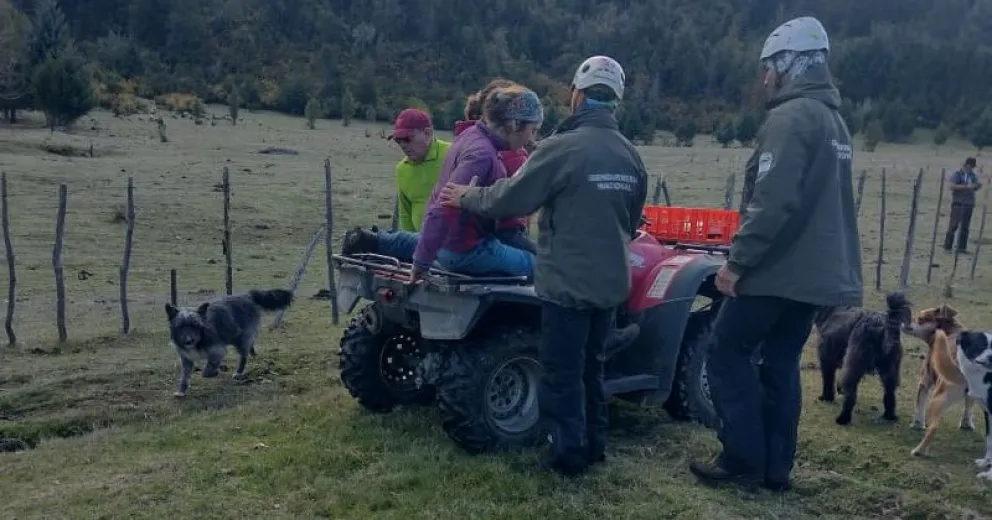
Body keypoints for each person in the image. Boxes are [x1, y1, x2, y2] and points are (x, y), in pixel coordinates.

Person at [438, 56, 647, 476]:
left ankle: (566, 456)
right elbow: (632, 215)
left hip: (567, 284)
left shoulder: (561, 148)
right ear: (616, 101)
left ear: (578, 95)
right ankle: (594, 445)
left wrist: (466, 198)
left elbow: (513, 198)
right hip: (609, 283)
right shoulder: (630, 155)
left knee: (561, 373)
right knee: (593, 367)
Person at [687, 16, 863, 492]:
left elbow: (773, 201)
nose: (765, 78)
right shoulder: (834, 120)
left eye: (769, 67)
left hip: (776, 270)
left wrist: (737, 263)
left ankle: (741, 457)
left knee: (726, 350)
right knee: (780, 364)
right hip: (813, 277)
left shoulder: (790, 118)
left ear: (789, 63)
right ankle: (775, 470)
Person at [411, 84, 543, 279]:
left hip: (452, 244)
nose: (532, 139)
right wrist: (421, 263)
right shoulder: (482, 154)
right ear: (515, 125)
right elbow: (444, 205)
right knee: (545, 269)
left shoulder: (471, 135)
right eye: (533, 130)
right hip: (465, 250)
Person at [341, 108, 449, 261]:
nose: (402, 145)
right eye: (398, 140)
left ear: (428, 133)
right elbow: (406, 215)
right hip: (421, 247)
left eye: (408, 139)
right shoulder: (402, 169)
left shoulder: (452, 155)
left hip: (451, 245)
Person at [454, 78, 536, 254]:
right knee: (545, 263)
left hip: (459, 236)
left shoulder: (463, 140)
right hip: (502, 233)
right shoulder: (510, 152)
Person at [943, 157, 982, 253]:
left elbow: (975, 186)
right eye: (971, 166)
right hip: (958, 203)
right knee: (954, 225)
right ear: (967, 165)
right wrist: (966, 186)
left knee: (965, 227)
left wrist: (976, 186)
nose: (972, 169)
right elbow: (952, 186)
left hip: (969, 203)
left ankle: (961, 248)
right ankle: (948, 247)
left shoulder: (972, 176)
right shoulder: (957, 174)